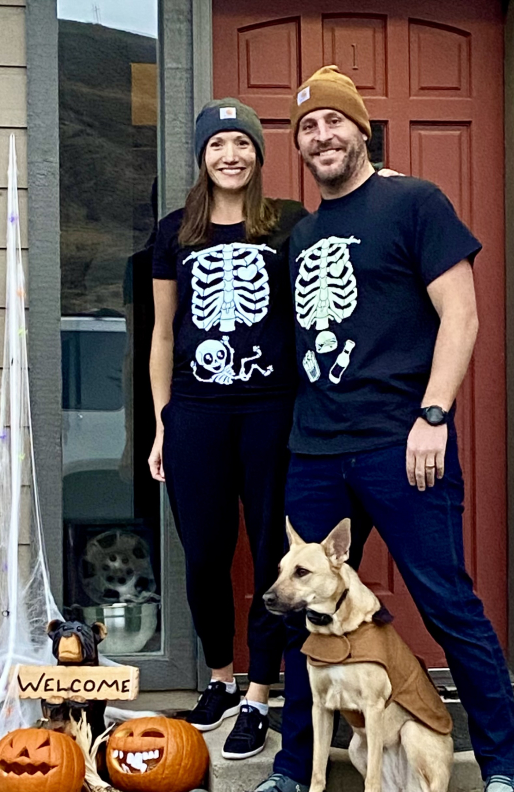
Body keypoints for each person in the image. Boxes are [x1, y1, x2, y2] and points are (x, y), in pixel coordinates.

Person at [253, 66, 514, 792]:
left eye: (334, 122)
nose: (321, 136)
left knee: (446, 601)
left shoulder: (415, 203)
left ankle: (506, 764)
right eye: (307, 128)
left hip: (400, 442)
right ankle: (292, 768)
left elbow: (461, 315)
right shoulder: (303, 233)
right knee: (296, 612)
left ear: (361, 129)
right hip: (314, 448)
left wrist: (433, 415)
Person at [148, 98, 307, 760]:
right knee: (207, 552)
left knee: (274, 551)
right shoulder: (174, 233)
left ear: (258, 156)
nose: (230, 154)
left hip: (272, 408)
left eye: (242, 143)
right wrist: (163, 423)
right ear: (202, 156)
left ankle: (259, 692)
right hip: (198, 412)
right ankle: (219, 677)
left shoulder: (289, 225)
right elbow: (162, 335)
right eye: (218, 145)